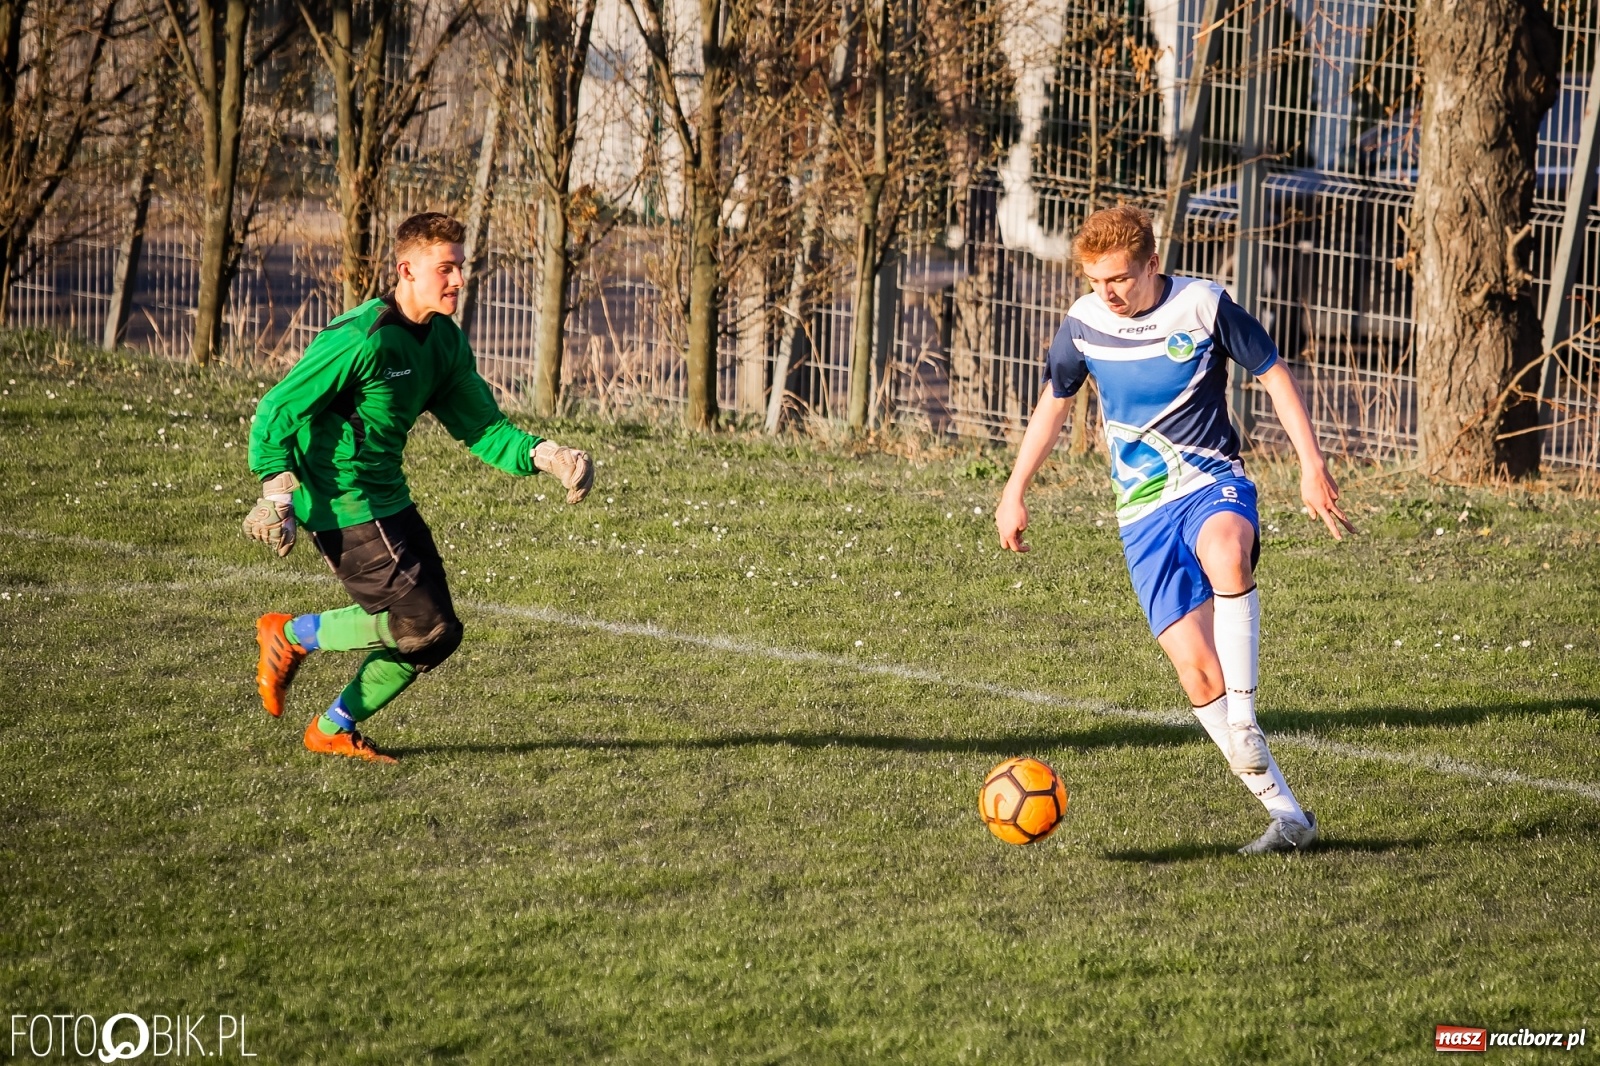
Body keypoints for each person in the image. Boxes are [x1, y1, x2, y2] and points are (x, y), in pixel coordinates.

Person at [995, 205, 1353, 854]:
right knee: (1196, 673)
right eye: (1096, 280)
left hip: (1212, 484)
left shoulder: (1203, 307)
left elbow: (1272, 371)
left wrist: (1311, 465)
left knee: (1226, 556)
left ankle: (1244, 719)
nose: (1108, 292)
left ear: (1152, 264)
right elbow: (1054, 402)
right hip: (1142, 516)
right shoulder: (1082, 326)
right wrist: (1015, 491)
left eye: (1120, 279)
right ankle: (1289, 817)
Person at [242, 212, 594, 763]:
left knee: (438, 635)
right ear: (407, 269)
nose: (457, 281)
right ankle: (292, 635)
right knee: (423, 624)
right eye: (445, 268)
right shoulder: (363, 337)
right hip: (342, 501)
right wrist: (276, 494)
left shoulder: (445, 345)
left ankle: (333, 727)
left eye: (461, 268)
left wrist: (549, 457)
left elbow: (483, 428)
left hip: (390, 500)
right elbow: (276, 410)